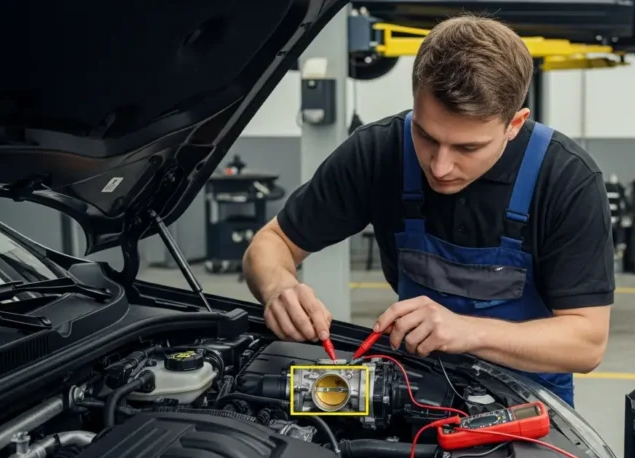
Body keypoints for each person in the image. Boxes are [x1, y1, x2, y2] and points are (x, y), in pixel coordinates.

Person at [242, 14, 615, 406]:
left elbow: (586, 343)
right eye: (425, 135)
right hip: (414, 388)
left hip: (529, 405)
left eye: (468, 148)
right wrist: (278, 287)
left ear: (514, 124)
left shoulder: (566, 180)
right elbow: (271, 244)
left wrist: (467, 332)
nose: (439, 167)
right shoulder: (378, 152)